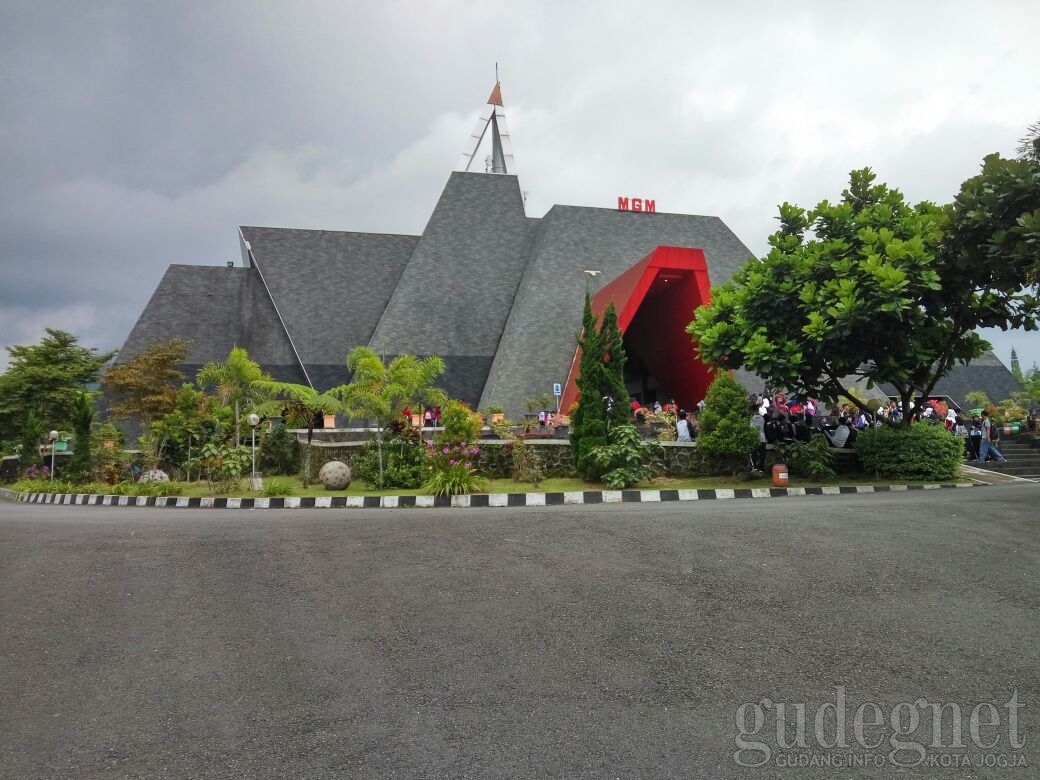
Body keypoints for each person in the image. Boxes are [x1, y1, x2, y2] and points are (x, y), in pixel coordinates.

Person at [750, 403, 766, 472]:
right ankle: (761, 469)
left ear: (752, 411)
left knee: (753, 453)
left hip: (753, 438)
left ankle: (755, 468)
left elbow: (751, 429)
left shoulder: (750, 419)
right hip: (762, 438)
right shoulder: (762, 418)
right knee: (762, 454)